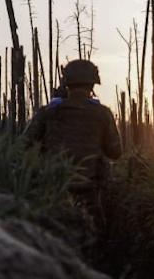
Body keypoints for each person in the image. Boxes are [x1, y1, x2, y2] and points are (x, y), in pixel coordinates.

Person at [22, 59, 122, 223]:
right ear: (92, 85)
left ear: (66, 83)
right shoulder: (102, 113)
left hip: (54, 189)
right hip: (89, 191)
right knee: (95, 232)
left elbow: (23, 144)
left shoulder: (48, 112)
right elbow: (115, 152)